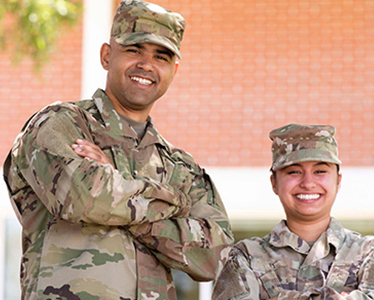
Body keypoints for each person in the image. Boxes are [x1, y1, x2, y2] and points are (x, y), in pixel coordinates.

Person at [3, 1, 234, 299]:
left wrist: (119, 185)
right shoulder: (60, 125)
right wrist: (174, 201)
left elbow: (218, 256)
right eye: (134, 50)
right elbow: (87, 199)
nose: (146, 65)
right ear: (106, 55)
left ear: (173, 71)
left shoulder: (180, 166)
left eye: (160, 56)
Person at [212, 124, 374, 300]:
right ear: (274, 182)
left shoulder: (368, 253)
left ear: (338, 181)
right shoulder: (245, 257)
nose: (308, 183)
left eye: (320, 171)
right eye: (294, 171)